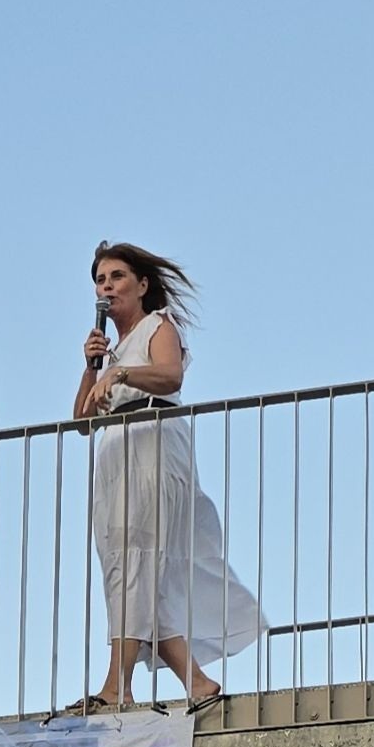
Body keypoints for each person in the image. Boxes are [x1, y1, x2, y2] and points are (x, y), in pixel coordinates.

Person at [68, 241, 261, 716]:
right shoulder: (109, 352)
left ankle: (117, 685)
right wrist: (92, 367)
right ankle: (198, 681)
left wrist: (122, 373)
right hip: (116, 455)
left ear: (142, 284)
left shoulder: (158, 327)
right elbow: (80, 418)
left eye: (116, 277)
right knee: (128, 567)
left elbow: (171, 376)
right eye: (100, 279)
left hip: (152, 444)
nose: (107, 286)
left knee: (137, 560)